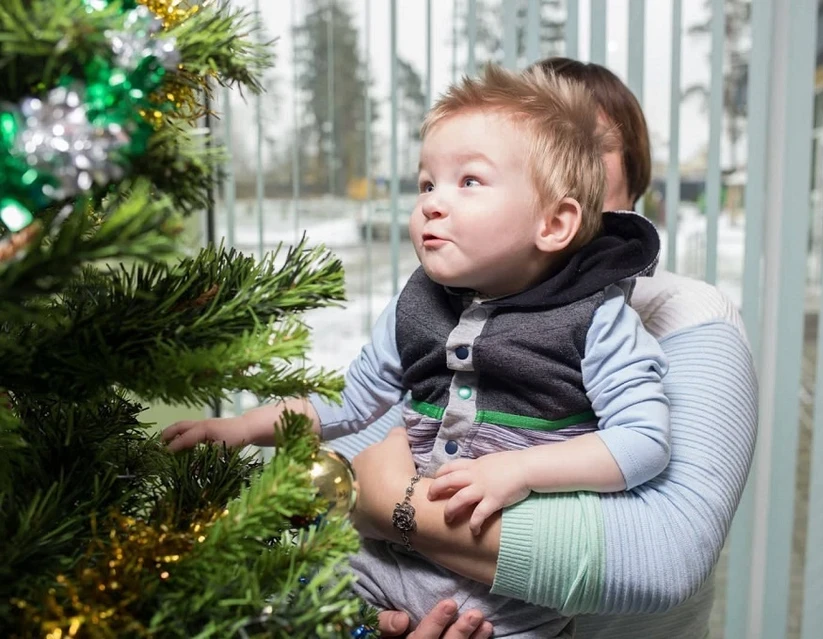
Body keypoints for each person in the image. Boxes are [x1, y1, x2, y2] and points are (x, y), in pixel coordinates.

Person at [165, 64, 671, 638]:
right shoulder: (419, 303)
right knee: (279, 595)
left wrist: (522, 470)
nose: (432, 203)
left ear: (554, 223)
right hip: (378, 569)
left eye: (469, 182)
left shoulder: (598, 319)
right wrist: (241, 428)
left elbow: (644, 442)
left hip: (500, 610)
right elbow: (351, 401)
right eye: (427, 183)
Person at [334, 59, 758, 639]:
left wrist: (392, 504)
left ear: (634, 183)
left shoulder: (688, 312)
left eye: (588, 141)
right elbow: (345, 444)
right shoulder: (457, 302)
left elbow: (665, 554)